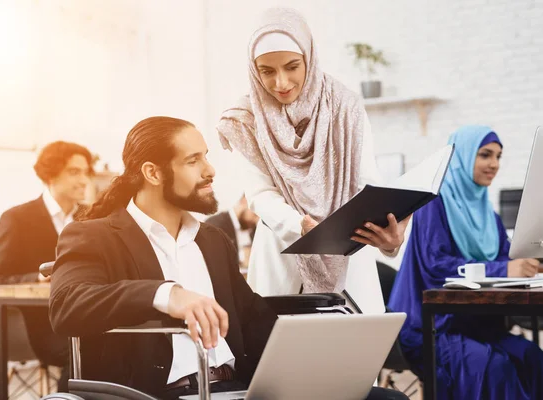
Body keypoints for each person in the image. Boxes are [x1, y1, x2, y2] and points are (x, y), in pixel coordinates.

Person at [49, 116, 407, 400]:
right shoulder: (94, 236)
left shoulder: (211, 241)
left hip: (236, 388)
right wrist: (167, 294)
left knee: (385, 399)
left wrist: (325, 356)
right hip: (159, 393)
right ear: (153, 173)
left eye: (206, 155)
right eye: (193, 160)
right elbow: (67, 306)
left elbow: (252, 319)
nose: (210, 170)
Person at [217, 8, 409, 311]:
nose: (281, 82)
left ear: (309, 56)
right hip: (282, 257)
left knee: (352, 355)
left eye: (292, 66)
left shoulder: (345, 107)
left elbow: (367, 184)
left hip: (348, 259)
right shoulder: (245, 118)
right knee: (284, 354)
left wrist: (389, 238)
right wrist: (300, 225)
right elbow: (260, 195)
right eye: (267, 71)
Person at [388, 126, 543, 400]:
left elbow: (508, 257)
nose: (494, 164)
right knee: (496, 368)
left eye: (498, 156)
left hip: (476, 324)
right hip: (431, 325)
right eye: (485, 155)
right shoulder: (431, 205)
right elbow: (437, 266)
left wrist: (531, 262)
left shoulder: (488, 213)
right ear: (462, 157)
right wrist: (505, 269)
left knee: (533, 358)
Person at [0, 140, 94, 390]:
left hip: (88, 315)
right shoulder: (17, 219)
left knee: (128, 342)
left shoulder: (92, 218)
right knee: (85, 349)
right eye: (74, 172)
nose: (84, 180)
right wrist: (37, 277)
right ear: (51, 174)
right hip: (40, 327)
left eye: (86, 172)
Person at [205, 195, 259, 265]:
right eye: (256, 214)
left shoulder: (252, 226)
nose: (257, 219)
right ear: (245, 201)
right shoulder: (215, 226)